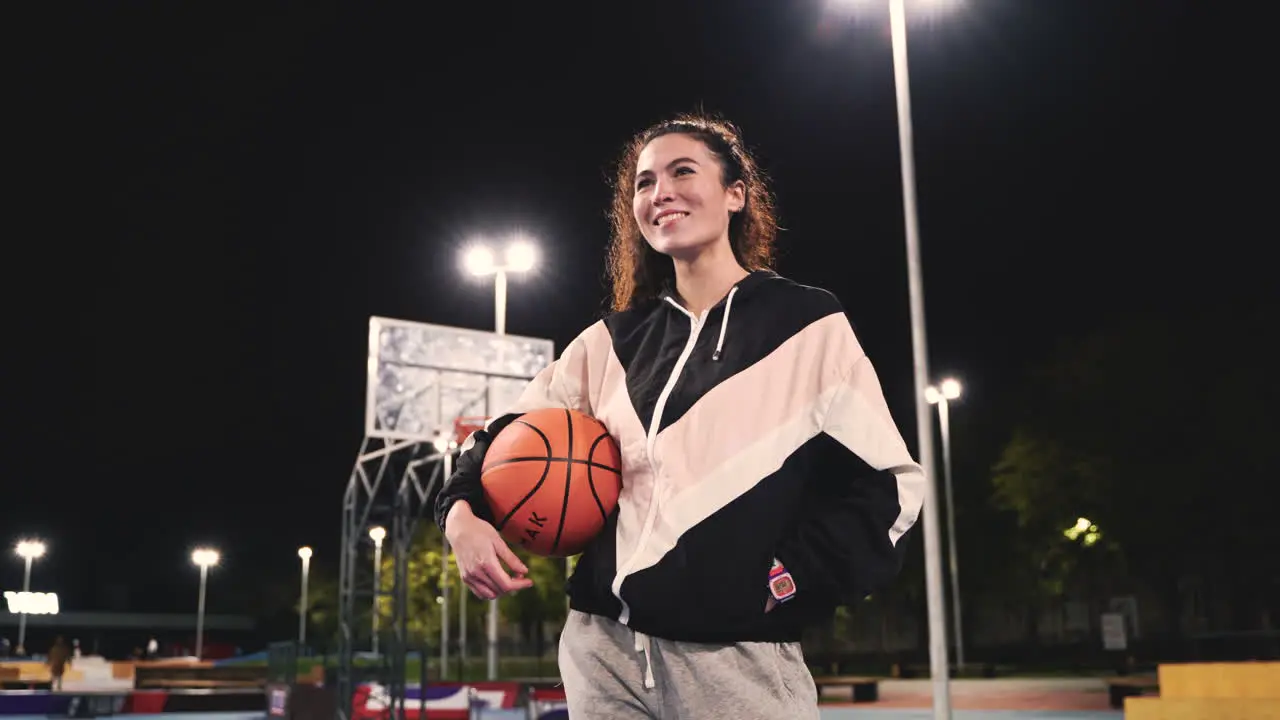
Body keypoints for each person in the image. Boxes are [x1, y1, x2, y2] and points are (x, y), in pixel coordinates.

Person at [435, 112, 925, 719]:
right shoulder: (609, 343)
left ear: (736, 194)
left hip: (737, 665)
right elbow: (499, 439)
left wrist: (782, 580)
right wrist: (460, 516)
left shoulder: (807, 327)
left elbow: (889, 490)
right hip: (602, 655)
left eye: (682, 171)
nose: (659, 191)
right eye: (644, 182)